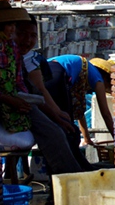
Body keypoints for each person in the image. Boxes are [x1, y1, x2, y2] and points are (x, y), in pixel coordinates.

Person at [0, 1, 83, 174]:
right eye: (10, 25)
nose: (12, 29)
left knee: (54, 132)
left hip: (13, 101)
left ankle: (69, 179)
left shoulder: (11, 47)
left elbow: (19, 82)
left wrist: (27, 102)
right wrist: (9, 99)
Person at [14, 17, 94, 170]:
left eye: (32, 36)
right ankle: (68, 178)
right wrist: (56, 116)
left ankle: (78, 170)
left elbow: (40, 91)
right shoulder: (7, 56)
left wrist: (58, 113)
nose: (27, 40)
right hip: (20, 107)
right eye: (22, 34)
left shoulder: (30, 58)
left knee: (70, 129)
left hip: (31, 104)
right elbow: (33, 96)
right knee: (59, 132)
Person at [46, 55, 115, 147]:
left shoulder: (82, 70)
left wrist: (87, 139)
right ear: (106, 78)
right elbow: (105, 114)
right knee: (69, 130)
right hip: (57, 75)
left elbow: (79, 110)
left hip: (44, 72)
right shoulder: (98, 80)